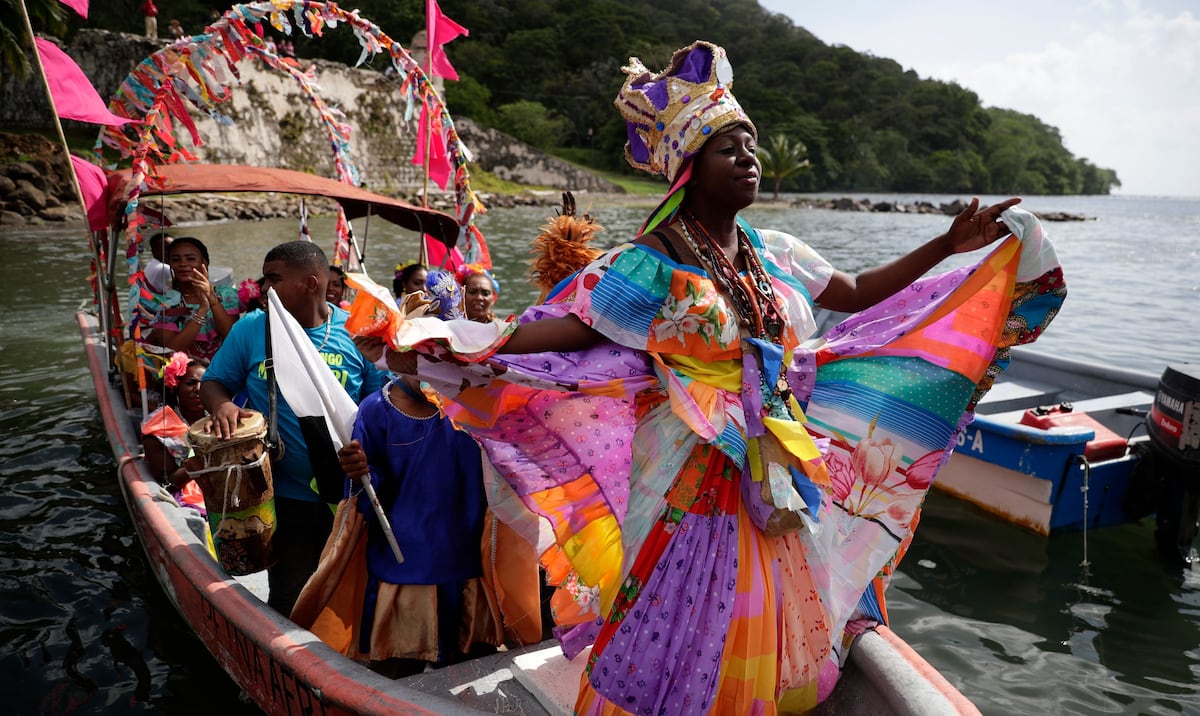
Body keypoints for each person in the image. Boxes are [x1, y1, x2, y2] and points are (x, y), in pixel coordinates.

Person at [370, 41, 1066, 713]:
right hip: (689, 471)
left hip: (771, 464)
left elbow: (853, 293)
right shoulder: (650, 263)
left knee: (758, 615)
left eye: (752, 145)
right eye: (729, 148)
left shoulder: (773, 252)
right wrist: (448, 346)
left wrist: (948, 244)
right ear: (688, 170)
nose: (749, 159)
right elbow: (562, 330)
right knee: (689, 618)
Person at [201, 240, 387, 616]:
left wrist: (367, 450)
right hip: (285, 496)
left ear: (311, 283)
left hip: (349, 492)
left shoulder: (356, 332)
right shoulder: (252, 329)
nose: (264, 289)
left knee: (356, 587)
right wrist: (221, 405)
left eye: (274, 279)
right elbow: (214, 382)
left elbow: (377, 407)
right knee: (290, 593)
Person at [143, 236, 239, 361]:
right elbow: (173, 350)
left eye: (190, 259)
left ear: (204, 262)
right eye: (176, 260)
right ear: (170, 264)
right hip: (189, 376)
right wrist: (202, 310)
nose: (183, 264)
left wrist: (212, 299)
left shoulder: (226, 295)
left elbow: (233, 338)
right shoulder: (166, 304)